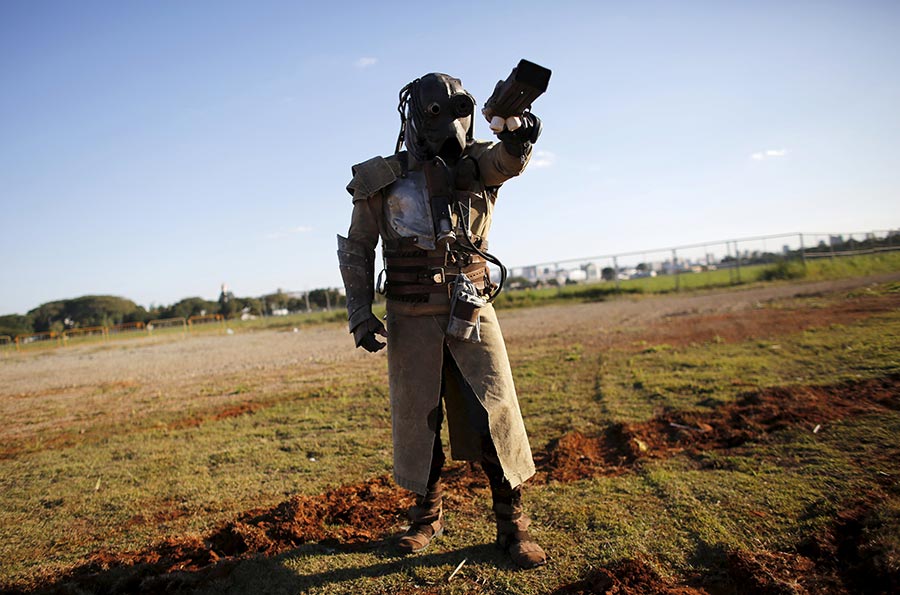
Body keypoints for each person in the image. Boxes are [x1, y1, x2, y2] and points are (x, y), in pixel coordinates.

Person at [337, 72, 546, 569]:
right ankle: (426, 516)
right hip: (409, 316)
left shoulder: (478, 164)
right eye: (434, 113)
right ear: (413, 116)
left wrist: (517, 131)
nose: (444, 124)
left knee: (494, 414)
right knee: (418, 423)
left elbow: (507, 161)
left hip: (472, 309)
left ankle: (512, 522)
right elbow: (359, 246)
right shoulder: (380, 178)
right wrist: (360, 314)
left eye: (454, 112)